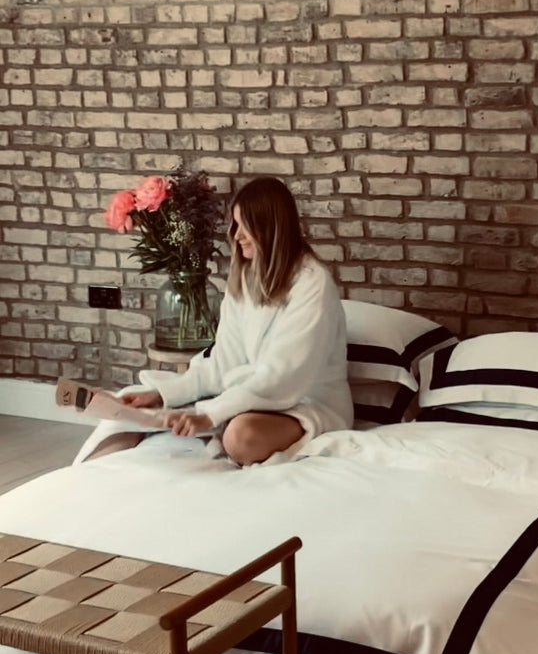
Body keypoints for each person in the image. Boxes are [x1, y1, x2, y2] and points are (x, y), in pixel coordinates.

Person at [83, 177, 353, 466]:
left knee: (240, 437)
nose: (236, 236)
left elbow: (284, 375)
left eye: (244, 226)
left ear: (270, 227)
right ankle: (88, 475)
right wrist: (162, 395)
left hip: (308, 402)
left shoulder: (313, 283)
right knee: (136, 403)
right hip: (254, 398)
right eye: (234, 225)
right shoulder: (246, 280)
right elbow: (224, 362)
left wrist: (212, 412)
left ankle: (218, 423)